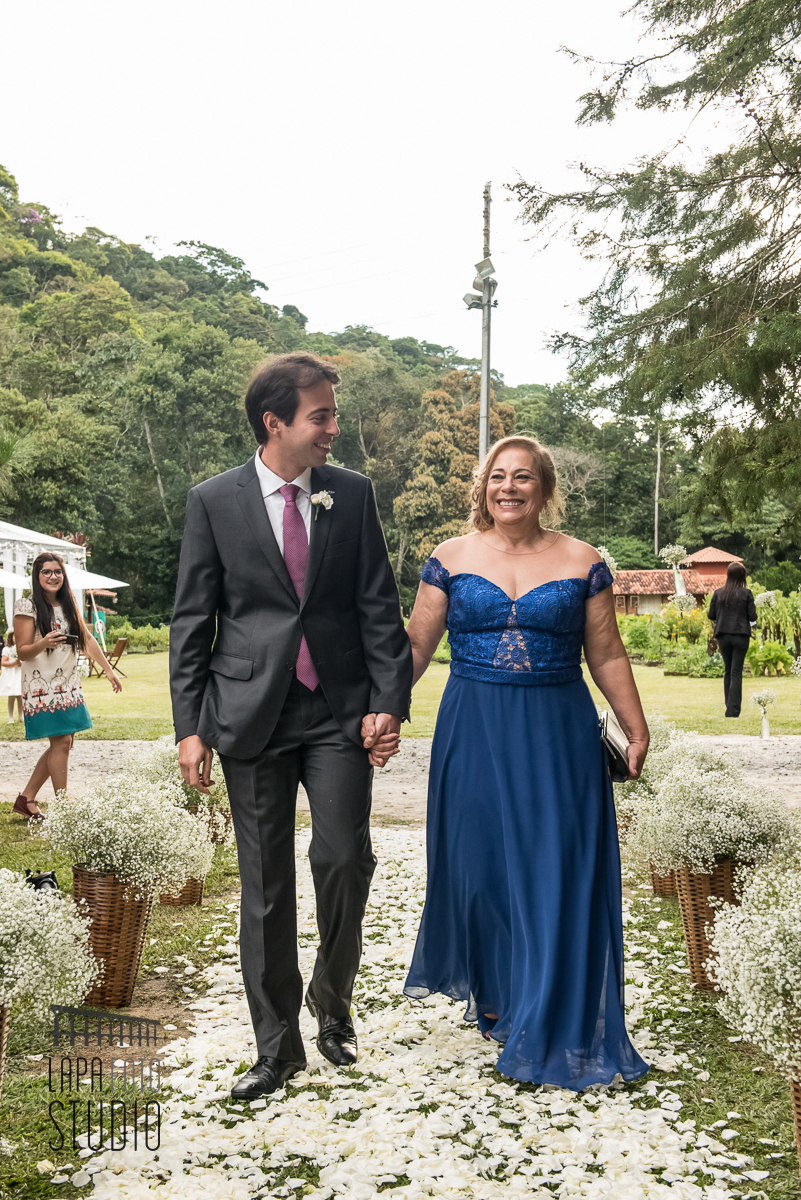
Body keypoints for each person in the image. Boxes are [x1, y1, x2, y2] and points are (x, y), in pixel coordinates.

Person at [170, 351, 413, 1100]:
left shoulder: (351, 493)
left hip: (337, 711)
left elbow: (378, 608)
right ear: (274, 422)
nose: (333, 429)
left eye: (332, 414)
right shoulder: (213, 500)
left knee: (344, 859)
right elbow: (192, 619)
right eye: (322, 416)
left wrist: (388, 703)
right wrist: (190, 726)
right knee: (264, 885)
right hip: (248, 715)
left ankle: (330, 1004)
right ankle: (275, 1047)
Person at [402, 435, 650, 1089]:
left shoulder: (580, 559)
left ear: (543, 488)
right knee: (480, 866)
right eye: (496, 477)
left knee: (555, 865)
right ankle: (499, 999)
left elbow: (607, 654)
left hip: (556, 731)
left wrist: (634, 727)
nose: (507, 487)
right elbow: (415, 649)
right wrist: (378, 710)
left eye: (522, 477)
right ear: (482, 486)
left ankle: (551, 1009)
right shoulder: (449, 558)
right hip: (472, 726)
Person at [12, 552, 122, 820]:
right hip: (42, 688)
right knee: (61, 742)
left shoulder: (69, 603)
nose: (53, 576)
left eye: (57, 571)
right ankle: (64, 806)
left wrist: (108, 671)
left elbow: (86, 639)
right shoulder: (27, 607)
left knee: (64, 741)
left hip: (68, 686)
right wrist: (44, 643)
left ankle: (27, 799)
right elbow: (23, 652)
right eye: (46, 572)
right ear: (37, 577)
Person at [707, 562, 757, 718]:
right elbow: (753, 617)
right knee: (736, 671)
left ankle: (729, 706)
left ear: (728, 575)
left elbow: (711, 615)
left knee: (728, 670)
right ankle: (733, 711)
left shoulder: (718, 593)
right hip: (741, 635)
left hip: (723, 635)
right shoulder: (746, 593)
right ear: (742, 576)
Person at [0, 630, 23, 723]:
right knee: (12, 696)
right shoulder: (7, 649)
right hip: (12, 674)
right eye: (14, 636)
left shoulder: (21, 648)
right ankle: (10, 717)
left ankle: (21, 716)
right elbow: (3, 662)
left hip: (20, 673)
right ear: (10, 637)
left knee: (20, 696)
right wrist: (14, 663)